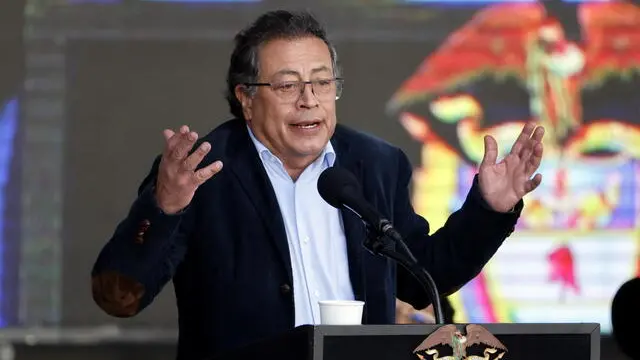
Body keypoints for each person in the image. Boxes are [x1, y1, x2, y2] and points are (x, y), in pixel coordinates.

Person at [90, 9, 545, 360]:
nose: (309, 100)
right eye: (287, 86)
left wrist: (489, 208)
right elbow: (119, 297)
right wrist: (163, 207)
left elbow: (426, 276)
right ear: (246, 98)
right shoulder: (200, 172)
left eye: (322, 83)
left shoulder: (376, 164)